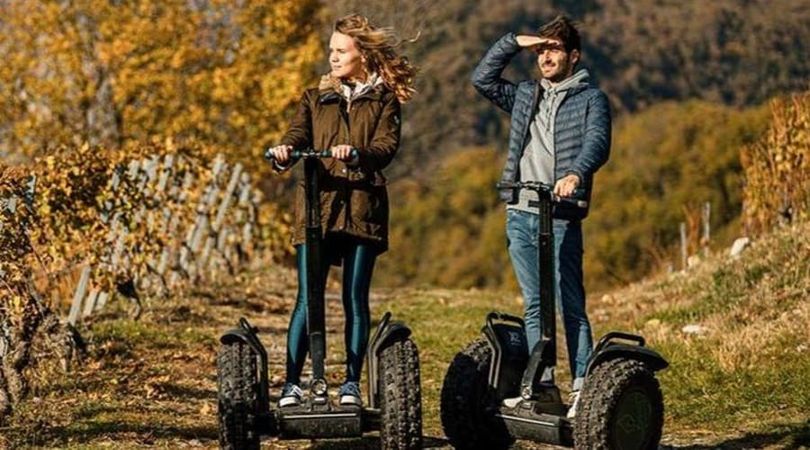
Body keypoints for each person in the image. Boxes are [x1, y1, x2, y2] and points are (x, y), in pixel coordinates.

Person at [267, 13, 416, 408]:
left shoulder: (384, 99)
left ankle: (351, 382)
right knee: (308, 297)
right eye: (331, 51)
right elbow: (297, 134)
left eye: (340, 51)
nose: (332, 57)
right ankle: (293, 384)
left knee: (354, 298)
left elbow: (386, 147)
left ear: (361, 54)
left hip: (363, 208)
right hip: (318, 207)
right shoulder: (315, 97)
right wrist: (283, 152)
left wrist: (357, 155)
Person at [471, 15, 611, 418]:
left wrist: (576, 173)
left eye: (554, 49)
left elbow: (598, 143)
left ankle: (585, 384)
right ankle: (542, 384)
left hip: (562, 212)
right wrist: (514, 41)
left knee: (570, 301)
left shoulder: (590, 99)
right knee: (535, 304)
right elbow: (481, 79)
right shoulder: (525, 95)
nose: (546, 56)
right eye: (542, 49)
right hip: (521, 211)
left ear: (573, 55)